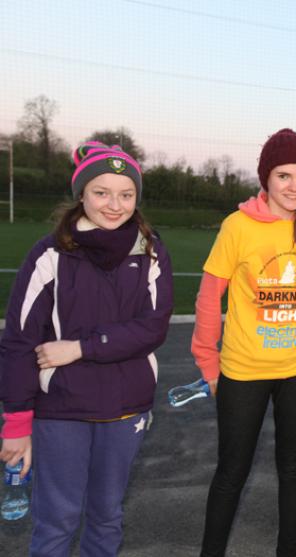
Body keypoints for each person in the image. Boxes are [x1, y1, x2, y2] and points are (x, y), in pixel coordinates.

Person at [0, 141, 174, 556]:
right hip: (62, 409)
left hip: (126, 406)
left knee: (107, 516)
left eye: (126, 194)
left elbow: (152, 328)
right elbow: (19, 340)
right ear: (81, 194)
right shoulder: (49, 255)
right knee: (56, 520)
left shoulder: (151, 251)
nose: (114, 205)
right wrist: (16, 423)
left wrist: (80, 348)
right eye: (101, 192)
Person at [191, 128, 296, 557]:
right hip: (243, 370)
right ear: (266, 177)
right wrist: (208, 364)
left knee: (293, 470)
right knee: (231, 472)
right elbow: (209, 297)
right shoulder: (238, 225)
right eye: (284, 175)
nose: (294, 186)